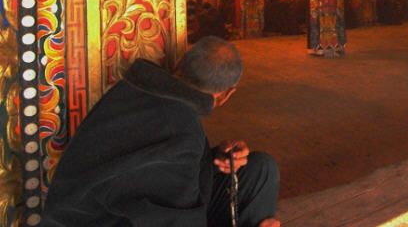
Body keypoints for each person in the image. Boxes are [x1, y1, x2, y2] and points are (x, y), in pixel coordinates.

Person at [41, 36, 280, 227]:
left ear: (179, 64)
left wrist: (212, 159)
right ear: (227, 94)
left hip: (96, 209)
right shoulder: (181, 128)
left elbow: (155, 170)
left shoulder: (133, 91)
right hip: (103, 220)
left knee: (260, 168)